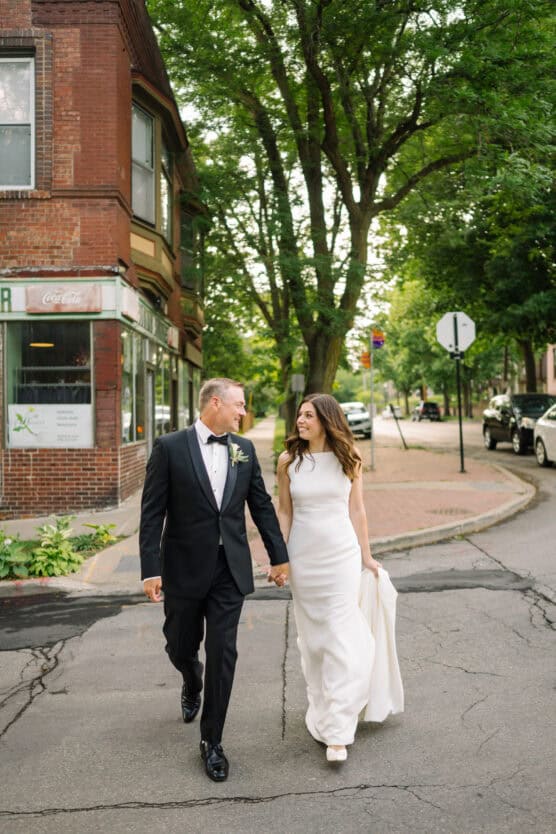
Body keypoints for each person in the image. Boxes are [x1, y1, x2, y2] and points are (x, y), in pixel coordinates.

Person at [140, 378, 289, 782]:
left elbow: (260, 504)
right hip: (183, 570)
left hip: (229, 571)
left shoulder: (244, 449)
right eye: (239, 405)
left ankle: (212, 741)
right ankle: (191, 678)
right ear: (216, 403)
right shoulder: (169, 448)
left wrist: (280, 557)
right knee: (180, 646)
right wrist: (150, 569)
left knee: (225, 653)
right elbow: (152, 513)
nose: (243, 412)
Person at [277, 393, 402, 764]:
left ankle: (338, 731)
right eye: (299, 414)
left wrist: (366, 556)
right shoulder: (288, 461)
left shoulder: (350, 457)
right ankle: (323, 707)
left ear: (327, 420)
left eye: (309, 415)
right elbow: (283, 511)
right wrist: (281, 557)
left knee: (341, 637)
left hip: (341, 557)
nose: (301, 421)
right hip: (303, 557)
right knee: (313, 640)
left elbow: (357, 509)